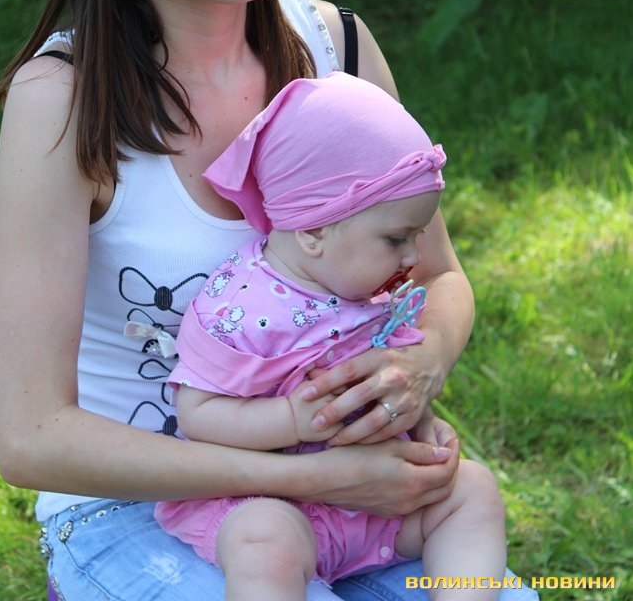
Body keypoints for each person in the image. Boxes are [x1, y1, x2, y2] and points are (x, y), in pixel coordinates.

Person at [0, 0, 536, 601]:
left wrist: (419, 365)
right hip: (134, 505)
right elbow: (30, 437)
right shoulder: (63, 99)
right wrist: (309, 477)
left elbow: (437, 276)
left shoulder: (336, 48)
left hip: (355, 487)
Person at [156, 72, 507, 600]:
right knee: (263, 542)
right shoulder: (239, 309)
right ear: (315, 231)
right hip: (274, 500)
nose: (413, 256)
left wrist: (420, 420)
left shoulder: (369, 294)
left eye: (416, 236)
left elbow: (390, 383)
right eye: (396, 239)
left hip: (378, 504)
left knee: (471, 489)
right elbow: (197, 414)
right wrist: (290, 419)